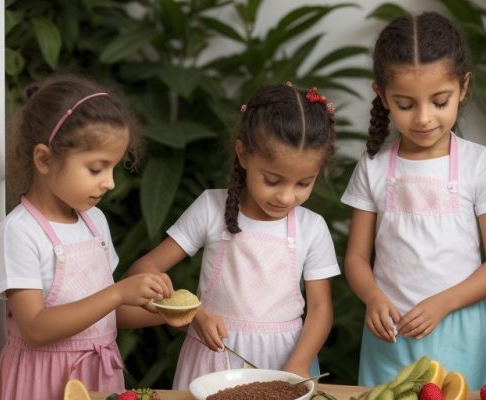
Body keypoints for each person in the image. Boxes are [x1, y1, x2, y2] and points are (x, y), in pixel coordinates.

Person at [342, 11, 486, 387]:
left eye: (440, 101)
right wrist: (372, 297)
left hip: (460, 328)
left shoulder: (478, 163)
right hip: (391, 331)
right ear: (382, 95)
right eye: (406, 104)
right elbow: (357, 257)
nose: (423, 118)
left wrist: (444, 303)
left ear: (463, 87)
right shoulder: (373, 166)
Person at [128, 84, 340, 388]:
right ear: (243, 154)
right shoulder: (211, 208)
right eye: (272, 180)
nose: (285, 196)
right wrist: (194, 313)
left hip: (286, 362)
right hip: (214, 360)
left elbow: (320, 308)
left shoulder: (312, 227)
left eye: (303, 184)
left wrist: (299, 362)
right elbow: (143, 270)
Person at [0, 75, 173, 399]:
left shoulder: (95, 223)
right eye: (96, 169)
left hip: (98, 378)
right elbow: (34, 328)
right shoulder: (19, 232)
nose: (110, 183)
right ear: (44, 159)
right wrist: (117, 293)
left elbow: (106, 314)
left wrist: (168, 313)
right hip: (43, 382)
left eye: (114, 168)